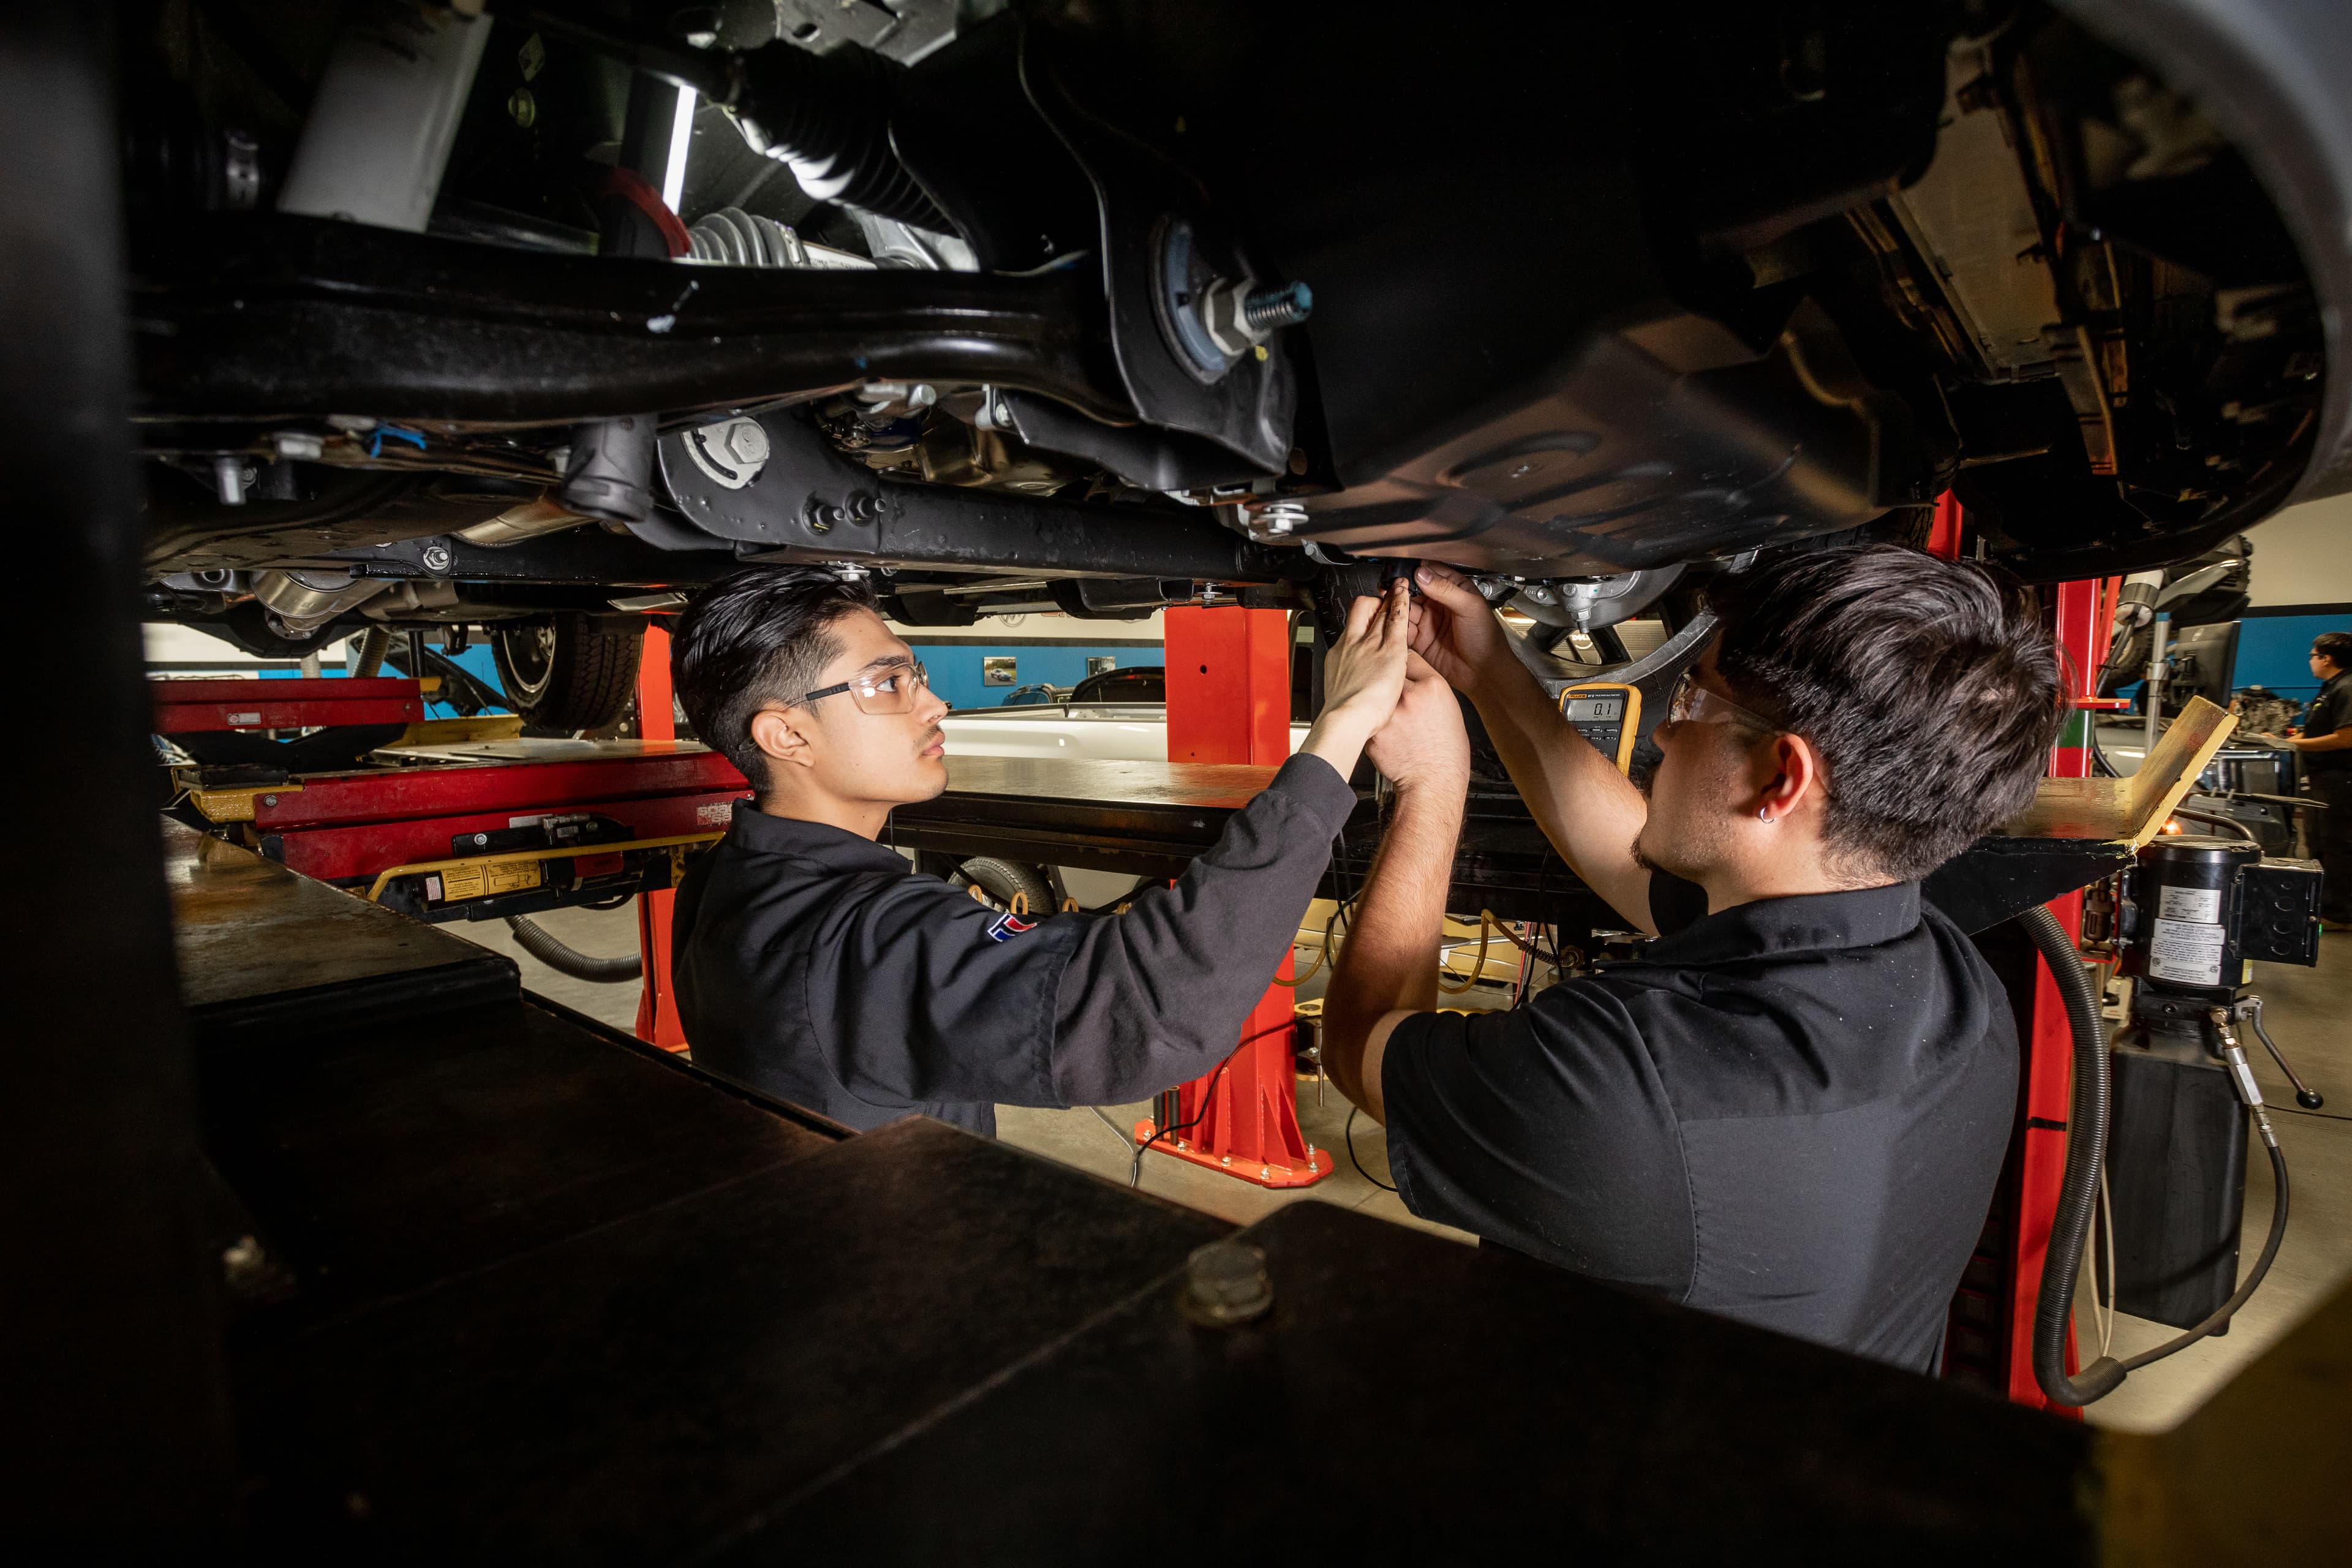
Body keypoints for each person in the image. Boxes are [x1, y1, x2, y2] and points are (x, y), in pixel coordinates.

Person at [1319, 545, 2064, 1372]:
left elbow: (1358, 1045)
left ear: (1782, 776)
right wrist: (1489, 668)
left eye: (1695, 698)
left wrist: (1432, 786)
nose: (1667, 730)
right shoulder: (1955, 986)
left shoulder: (1621, 1087)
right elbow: (1631, 862)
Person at [665, 565, 1412, 1135]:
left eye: (914, 673)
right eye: (886, 683)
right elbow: (1156, 1007)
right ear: (785, 734)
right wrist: (1340, 726)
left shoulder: (725, 879)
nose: (934, 702)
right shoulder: (869, 942)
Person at [2281, 630, 2352, 930]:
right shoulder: (2331, 688)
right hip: (2323, 778)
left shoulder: (2347, 688)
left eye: (2313, 656)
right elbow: (2315, 733)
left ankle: (2339, 914)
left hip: (2341, 781)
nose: (2311, 661)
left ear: (2327, 658)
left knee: (2337, 844)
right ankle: (2322, 905)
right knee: (2318, 841)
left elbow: (2346, 738)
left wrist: (2293, 745)